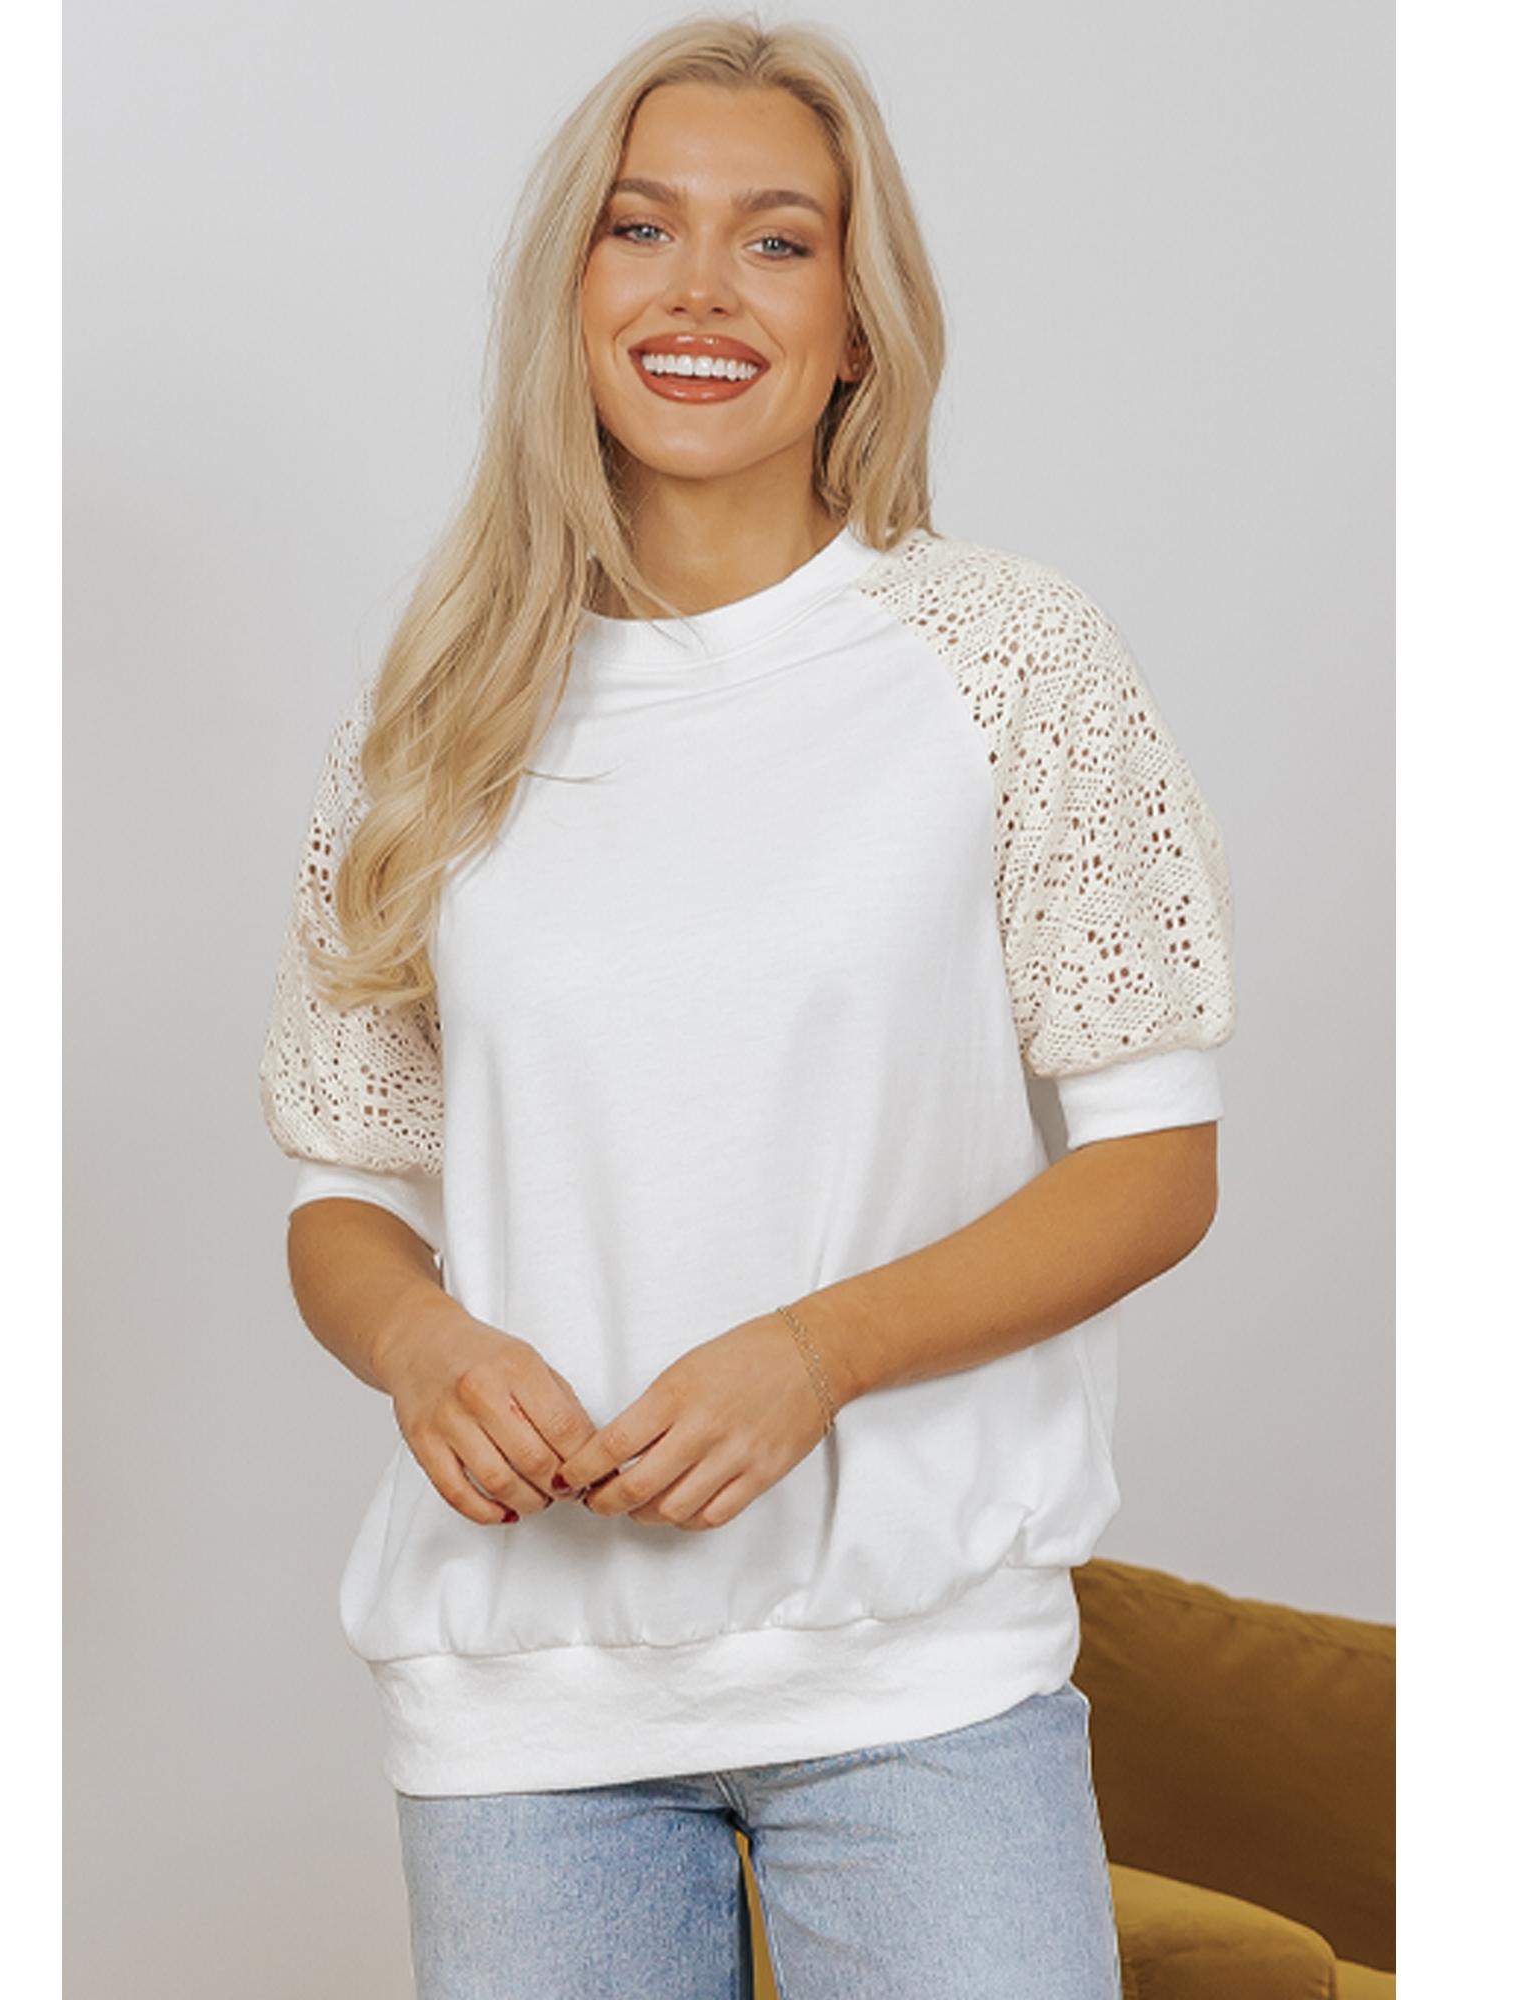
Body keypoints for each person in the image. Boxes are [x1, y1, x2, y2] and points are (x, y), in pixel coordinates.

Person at [258, 14, 1237, 1998]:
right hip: (525, 1715)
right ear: (570, 290)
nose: (699, 288)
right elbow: (343, 1194)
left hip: (922, 1688)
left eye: (777, 240)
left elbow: (1152, 1168)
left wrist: (815, 1355)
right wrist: (426, 1346)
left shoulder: (1004, 658)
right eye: (640, 229)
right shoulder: (438, 715)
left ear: (858, 321)